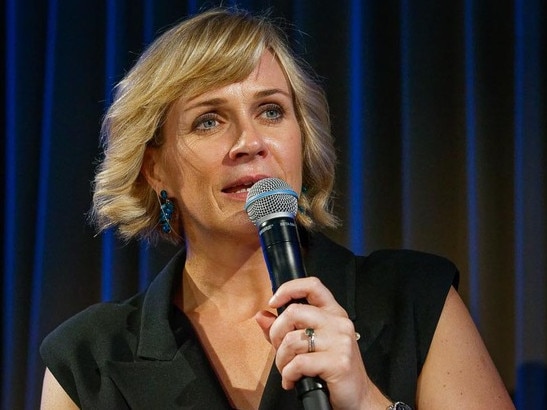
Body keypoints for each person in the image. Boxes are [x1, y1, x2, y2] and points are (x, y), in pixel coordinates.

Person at [40, 7, 514, 410]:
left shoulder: (414, 299)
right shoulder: (89, 358)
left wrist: (366, 401)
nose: (250, 142)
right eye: (209, 120)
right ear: (154, 169)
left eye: (271, 111)